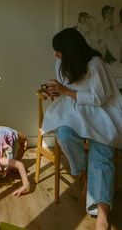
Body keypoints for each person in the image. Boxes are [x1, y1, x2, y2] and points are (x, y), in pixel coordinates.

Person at [42, 28, 122, 230]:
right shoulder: (61, 62)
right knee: (64, 134)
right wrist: (56, 91)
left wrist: (65, 90)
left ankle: (102, 213)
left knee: (101, 155)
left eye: (58, 50)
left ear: (69, 50)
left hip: (102, 113)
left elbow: (98, 98)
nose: (55, 54)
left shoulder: (95, 64)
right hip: (76, 112)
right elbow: (67, 88)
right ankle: (85, 176)